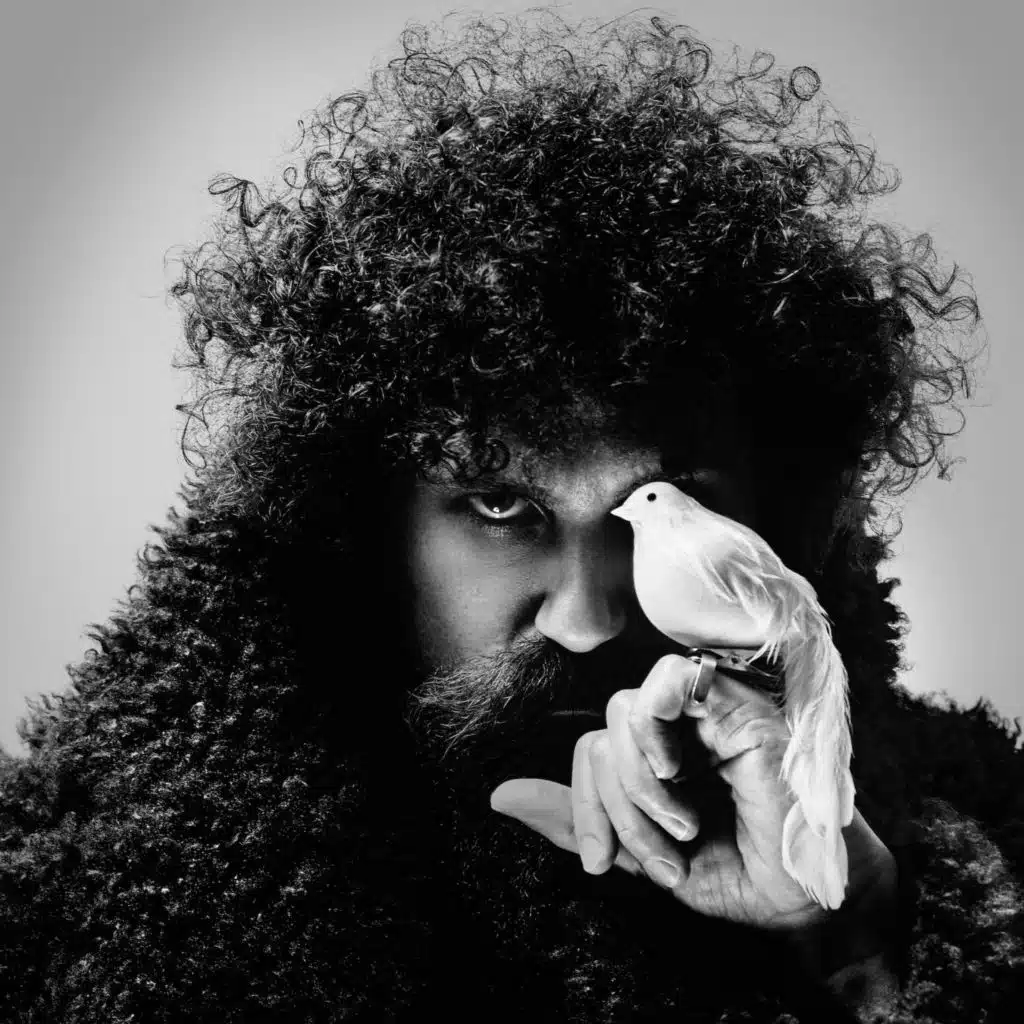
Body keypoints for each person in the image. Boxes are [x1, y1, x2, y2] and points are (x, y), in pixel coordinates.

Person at [2, 12, 1022, 1022]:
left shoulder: (994, 842)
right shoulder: (39, 911)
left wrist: (848, 941)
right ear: (365, 532)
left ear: (782, 522)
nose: (588, 620)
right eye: (500, 506)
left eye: (675, 507)